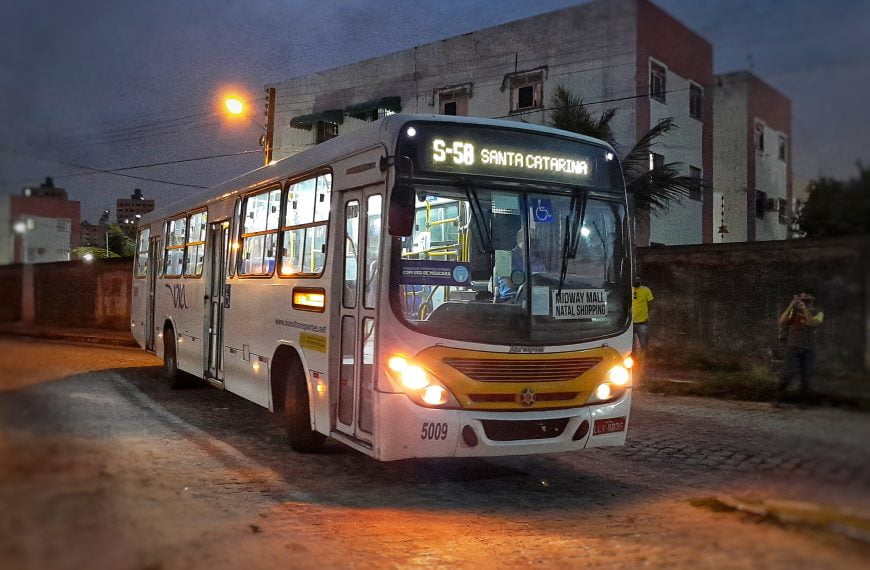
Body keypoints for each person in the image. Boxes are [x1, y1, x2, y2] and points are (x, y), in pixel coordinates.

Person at [777, 291, 824, 404]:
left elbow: (813, 323)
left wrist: (804, 309)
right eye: (802, 298)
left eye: (807, 298)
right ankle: (778, 398)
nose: (804, 300)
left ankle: (801, 401)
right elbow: (781, 322)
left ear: (812, 300)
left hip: (809, 348)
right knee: (788, 374)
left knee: (805, 377)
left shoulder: (819, 312)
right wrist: (791, 306)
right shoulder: (793, 311)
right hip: (793, 346)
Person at [632, 276, 654, 354]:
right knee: (630, 345)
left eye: (638, 279)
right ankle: (632, 359)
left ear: (641, 281)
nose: (636, 281)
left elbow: (651, 303)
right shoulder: (629, 289)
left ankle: (644, 360)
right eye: (635, 279)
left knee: (643, 343)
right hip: (629, 324)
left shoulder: (646, 290)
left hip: (642, 322)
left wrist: (646, 314)